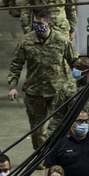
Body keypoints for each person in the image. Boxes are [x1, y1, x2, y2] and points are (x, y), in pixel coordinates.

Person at [7, 9, 77, 151]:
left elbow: (74, 61)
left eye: (40, 23)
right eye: (35, 23)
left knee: (61, 125)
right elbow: (16, 63)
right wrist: (13, 86)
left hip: (57, 91)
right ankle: (40, 156)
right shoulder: (26, 41)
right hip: (35, 92)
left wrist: (78, 84)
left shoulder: (61, 41)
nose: (37, 26)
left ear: (49, 23)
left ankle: (59, 153)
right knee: (38, 129)